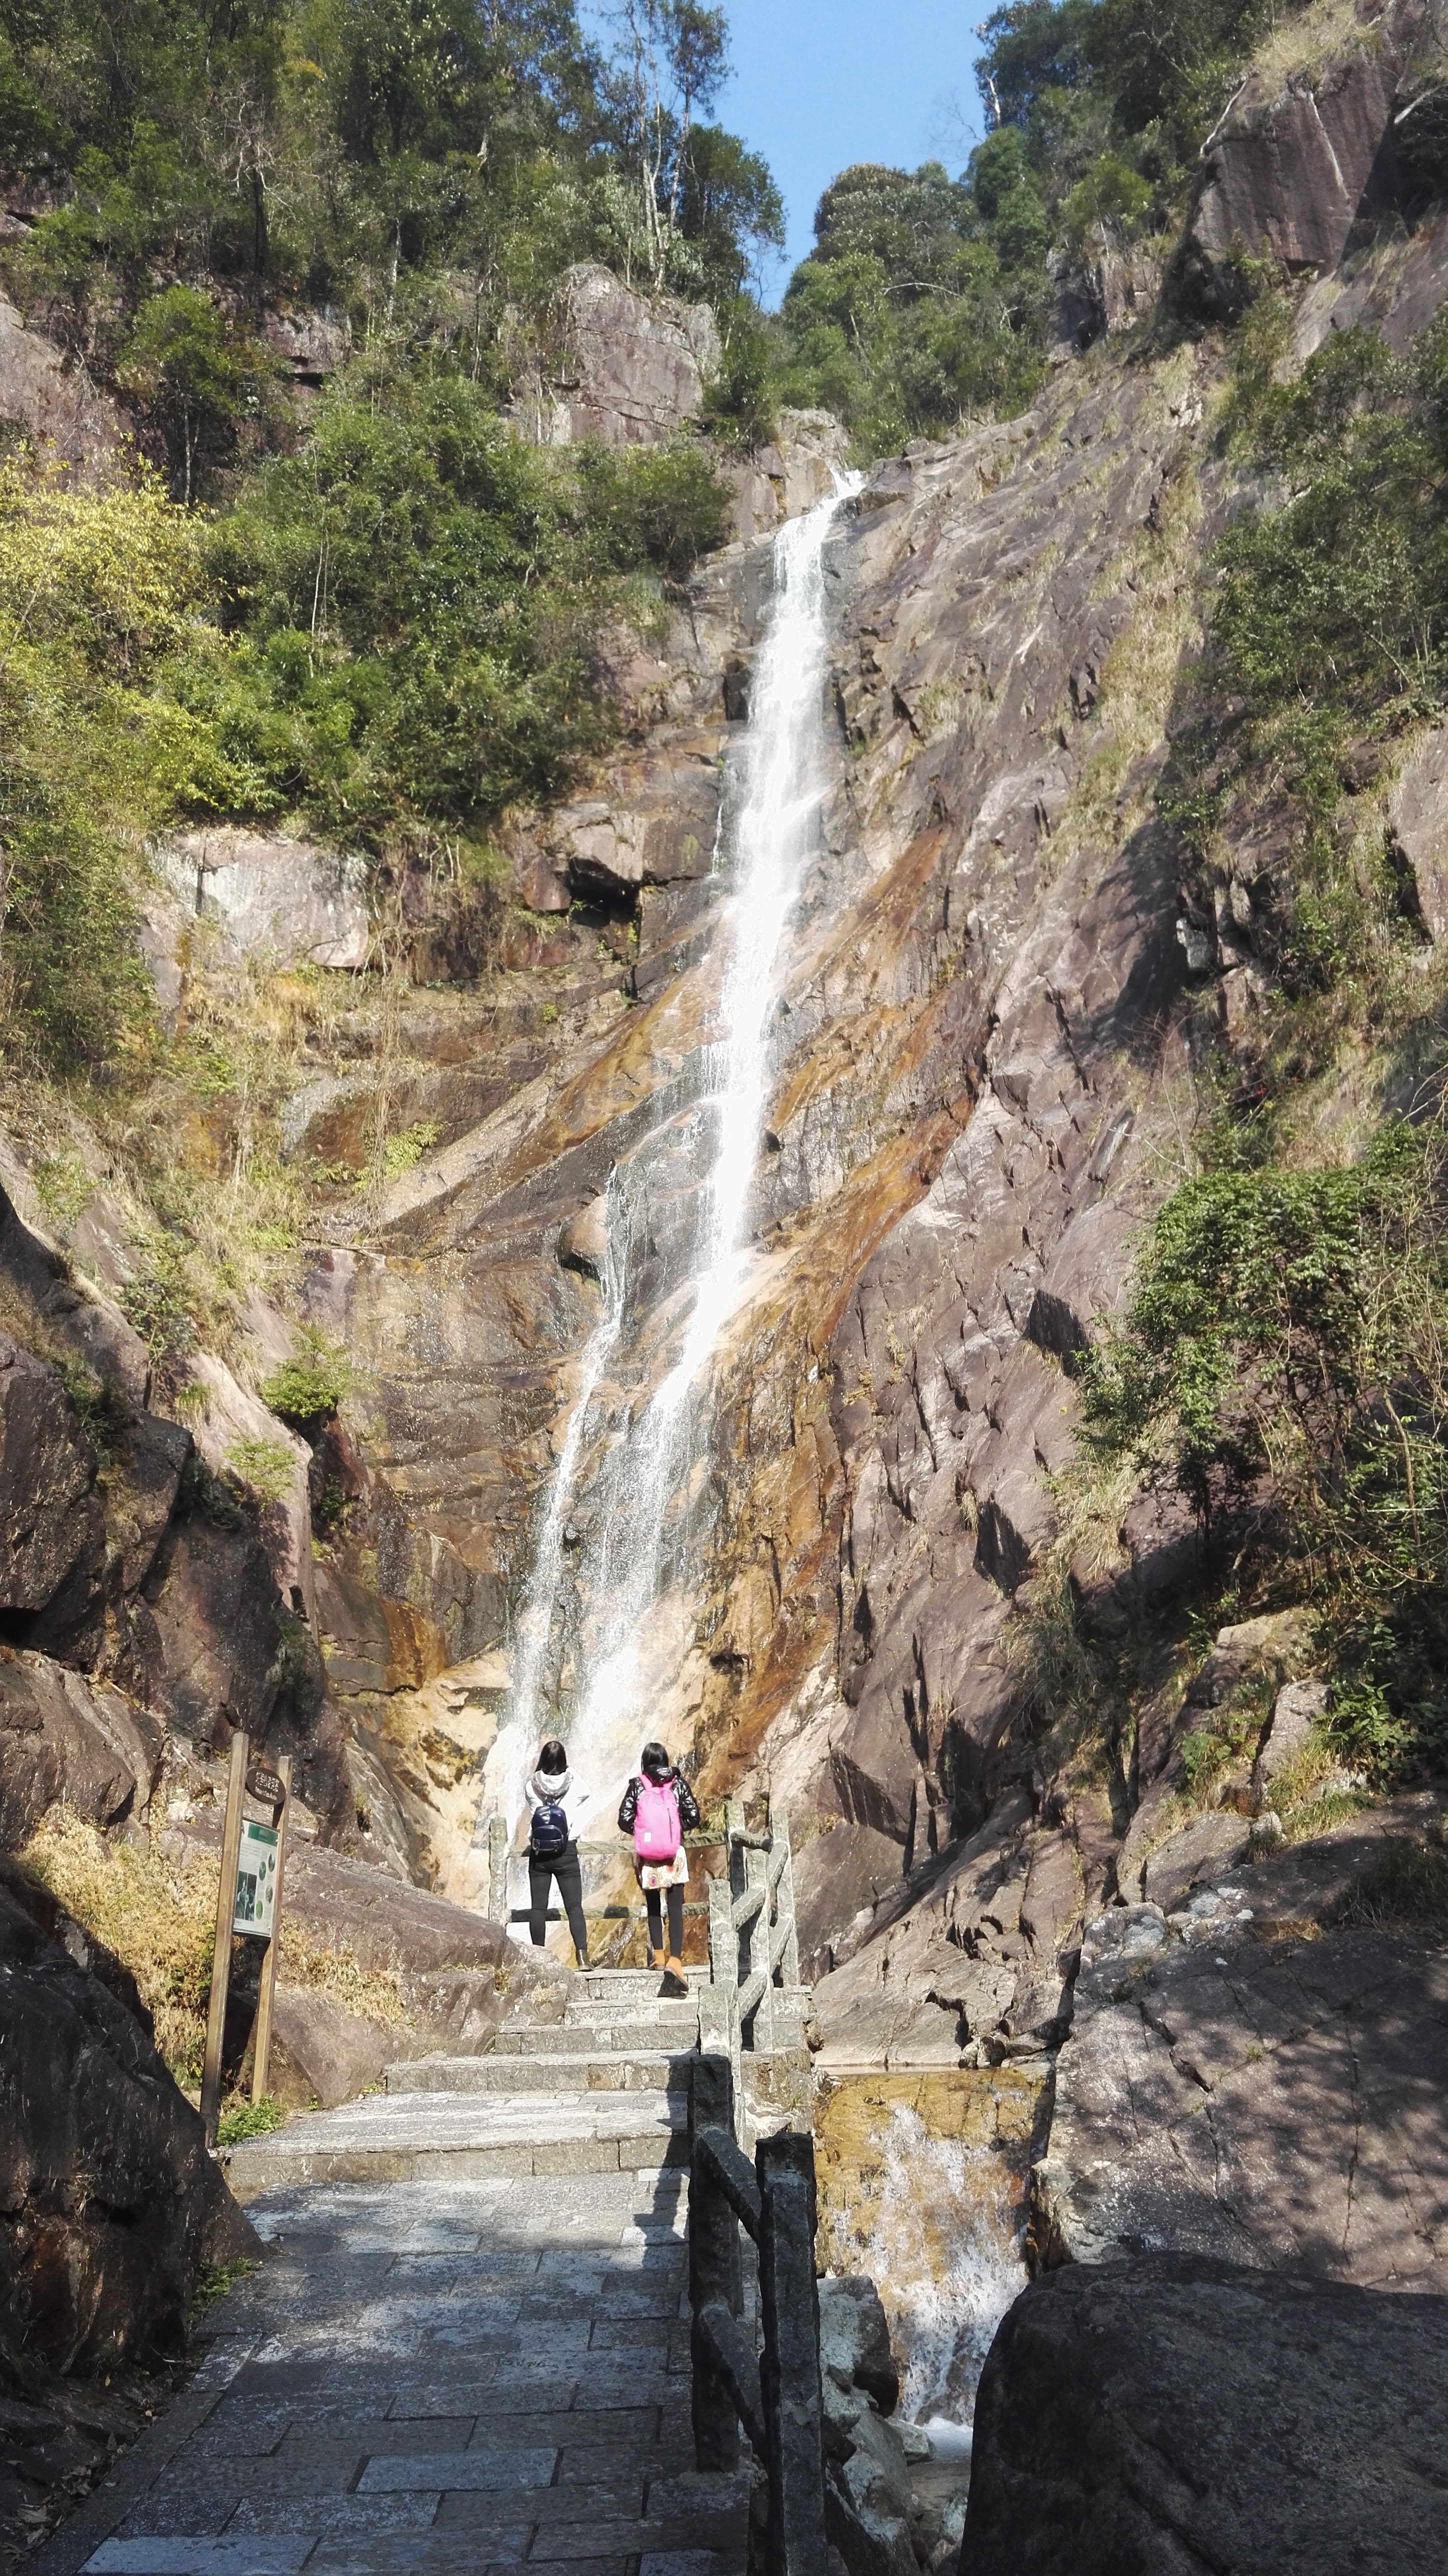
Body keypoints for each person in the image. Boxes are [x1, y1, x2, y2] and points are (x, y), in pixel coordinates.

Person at [618, 1740, 700, 1997]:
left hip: (649, 1855)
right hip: (675, 1853)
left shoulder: (637, 1785)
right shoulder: (678, 1783)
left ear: (644, 1762)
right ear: (665, 1761)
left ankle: (659, 1957)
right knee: (675, 1907)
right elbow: (694, 1815)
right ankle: (676, 1960)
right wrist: (674, 1831)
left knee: (654, 1904)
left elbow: (624, 1819)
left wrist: (645, 1833)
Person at [523, 1738, 590, 1969]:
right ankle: (583, 1958)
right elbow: (587, 1792)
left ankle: (539, 1960)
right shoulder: (575, 1784)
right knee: (574, 1907)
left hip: (539, 1853)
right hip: (566, 1851)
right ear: (564, 1762)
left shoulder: (532, 1786)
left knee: (538, 1908)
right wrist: (568, 1771)